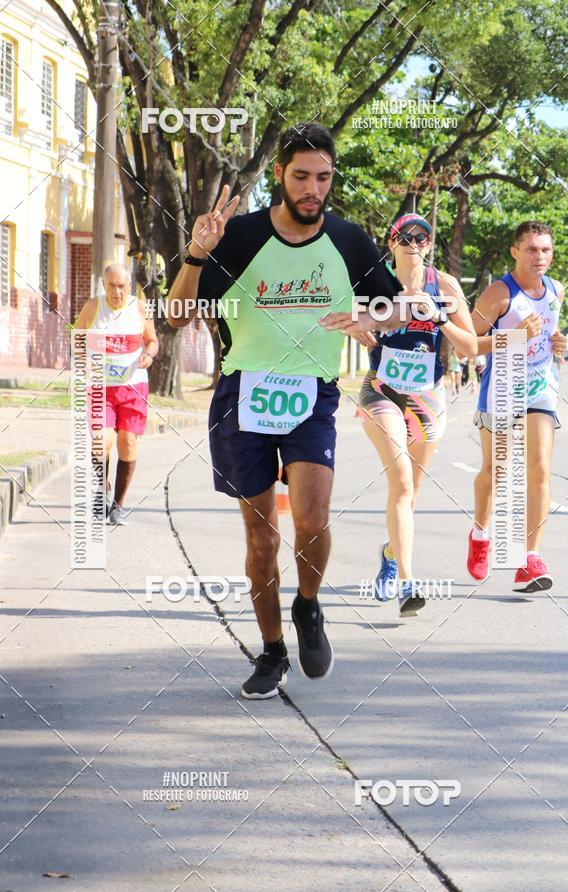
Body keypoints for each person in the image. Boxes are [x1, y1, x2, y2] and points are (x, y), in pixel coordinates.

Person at [167, 123, 401, 699]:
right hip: (244, 392)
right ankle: (271, 653)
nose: (312, 189)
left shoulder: (349, 241)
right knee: (260, 535)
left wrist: (374, 319)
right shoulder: (239, 235)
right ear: (280, 174)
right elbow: (177, 314)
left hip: (312, 394)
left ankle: (309, 604)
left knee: (313, 519)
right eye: (301, 176)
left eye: (323, 177)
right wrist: (197, 251)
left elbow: (396, 309)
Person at [322, 214, 477, 614]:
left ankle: (390, 553)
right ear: (390, 242)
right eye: (403, 236)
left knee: (410, 496)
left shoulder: (444, 286)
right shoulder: (374, 281)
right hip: (382, 391)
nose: (413, 242)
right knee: (403, 484)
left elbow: (470, 348)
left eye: (421, 237)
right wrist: (353, 327)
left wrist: (438, 316)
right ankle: (408, 582)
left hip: (428, 396)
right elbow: (345, 316)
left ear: (429, 244)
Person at [468, 221, 567, 591]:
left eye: (545, 249)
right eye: (531, 249)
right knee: (497, 470)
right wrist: (513, 337)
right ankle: (480, 534)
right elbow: (466, 344)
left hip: (541, 387)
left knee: (540, 467)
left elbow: (550, 336)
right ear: (515, 251)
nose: (539, 256)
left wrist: (558, 343)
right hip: (503, 386)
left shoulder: (555, 290)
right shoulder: (499, 293)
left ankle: (530, 559)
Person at [73, 263, 158, 525]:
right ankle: (101, 491)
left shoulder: (141, 308)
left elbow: (152, 340)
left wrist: (149, 354)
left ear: (129, 286)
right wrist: (83, 360)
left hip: (133, 387)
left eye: (122, 286)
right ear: (104, 285)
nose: (117, 292)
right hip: (101, 387)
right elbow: (78, 336)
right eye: (112, 286)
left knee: (128, 443)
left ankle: (118, 506)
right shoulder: (93, 307)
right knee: (102, 441)